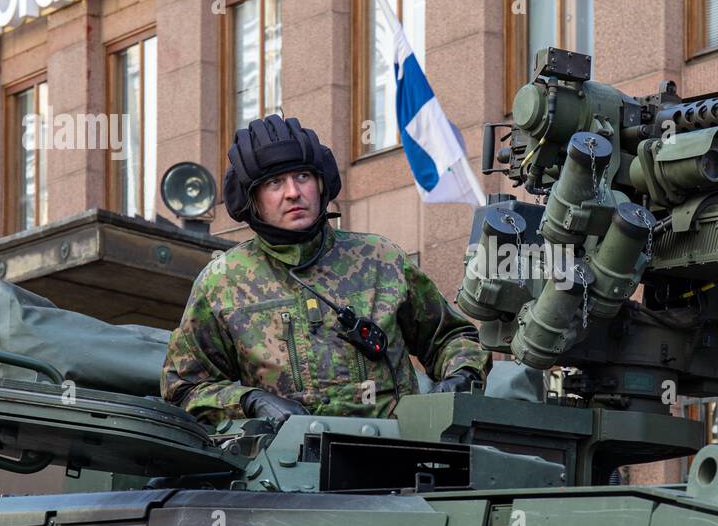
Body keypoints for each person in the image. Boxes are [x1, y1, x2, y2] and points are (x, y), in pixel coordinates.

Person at [161, 114, 488, 428]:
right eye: (275, 182)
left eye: (302, 177)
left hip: (396, 460)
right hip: (284, 472)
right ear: (253, 200)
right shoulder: (224, 281)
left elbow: (450, 337)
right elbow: (185, 389)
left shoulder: (379, 259)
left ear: (320, 183)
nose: (293, 192)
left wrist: (461, 377)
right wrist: (249, 401)